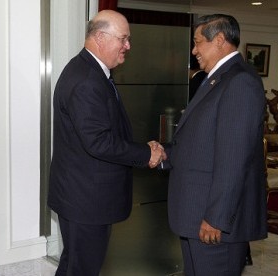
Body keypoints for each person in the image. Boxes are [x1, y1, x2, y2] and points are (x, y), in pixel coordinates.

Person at [47, 10, 165, 276]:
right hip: (86, 199)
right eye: (123, 39)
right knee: (83, 268)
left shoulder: (89, 70)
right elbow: (98, 142)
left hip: (82, 194)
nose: (128, 46)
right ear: (100, 37)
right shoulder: (87, 79)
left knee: (73, 265)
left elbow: (102, 132)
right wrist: (145, 153)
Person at [163, 14, 268, 275]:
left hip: (212, 222)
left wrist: (216, 218)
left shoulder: (239, 82)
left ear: (220, 40)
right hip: (196, 214)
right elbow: (198, 142)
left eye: (198, 42)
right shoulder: (217, 78)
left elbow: (234, 158)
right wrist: (162, 153)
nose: (194, 50)